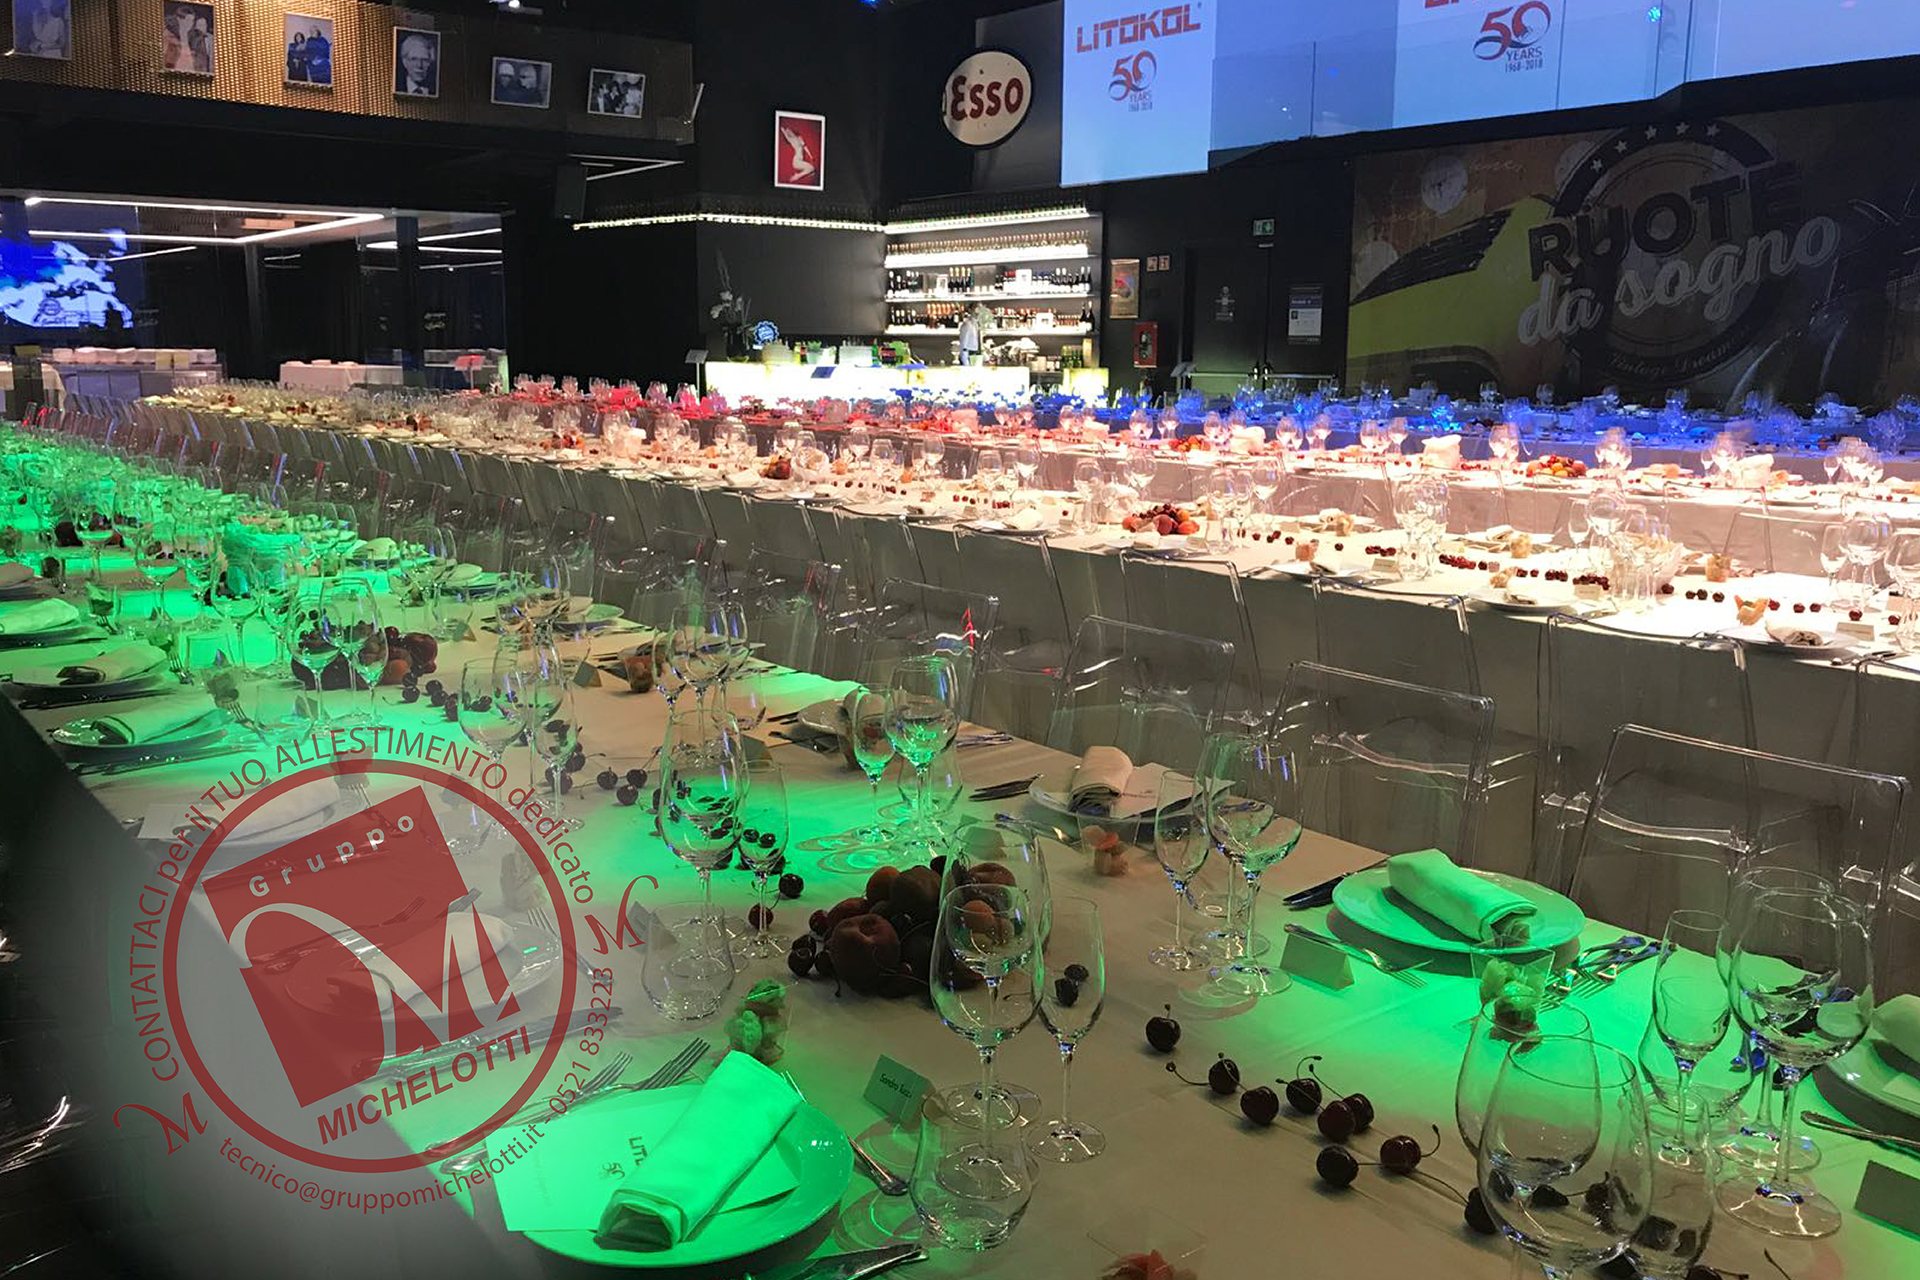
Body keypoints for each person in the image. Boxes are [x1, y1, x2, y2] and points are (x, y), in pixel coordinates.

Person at [395, 31, 437, 97]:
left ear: (430, 62)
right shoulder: (398, 87)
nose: (419, 65)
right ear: (404, 62)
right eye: (414, 59)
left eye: (425, 60)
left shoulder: (435, 90)